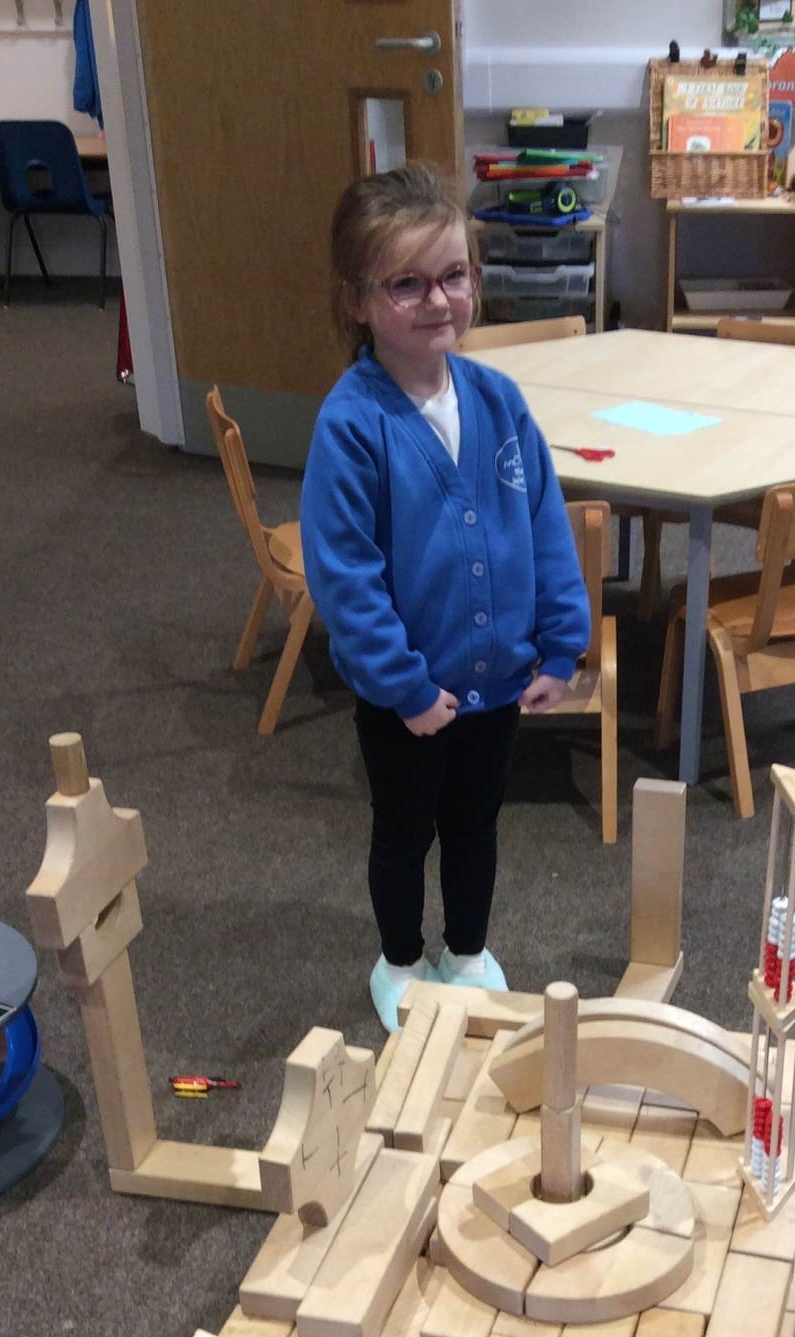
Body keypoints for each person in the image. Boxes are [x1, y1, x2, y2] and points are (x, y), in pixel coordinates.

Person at [301, 164, 589, 1031]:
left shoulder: (500, 402)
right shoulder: (352, 424)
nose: (437, 301)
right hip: (407, 699)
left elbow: (545, 526)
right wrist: (406, 687)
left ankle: (466, 952)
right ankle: (399, 960)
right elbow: (345, 577)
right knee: (403, 831)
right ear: (357, 300)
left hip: (496, 684)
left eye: (454, 275)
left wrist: (562, 644)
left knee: (474, 825)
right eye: (407, 283)